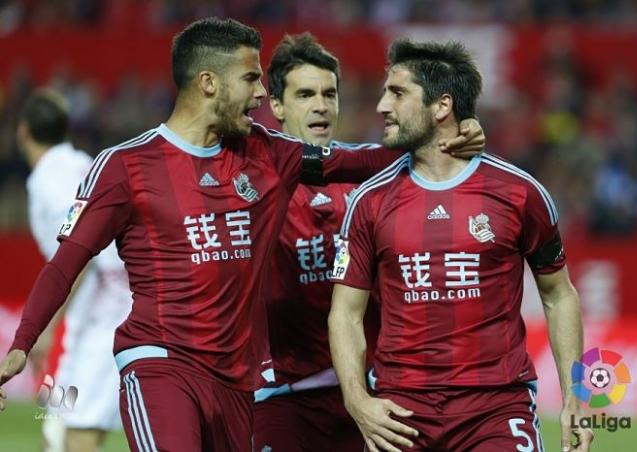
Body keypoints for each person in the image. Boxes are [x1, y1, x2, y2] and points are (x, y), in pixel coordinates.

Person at [0, 19, 477, 452]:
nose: (259, 94)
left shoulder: (269, 155)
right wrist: (20, 346)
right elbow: (67, 261)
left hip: (237, 384)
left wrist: (450, 136)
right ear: (209, 83)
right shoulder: (124, 167)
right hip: (160, 364)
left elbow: (364, 161)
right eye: (251, 78)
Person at [329, 39, 595, 452]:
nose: (382, 106)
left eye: (397, 93)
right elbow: (345, 313)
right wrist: (357, 400)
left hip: (495, 408)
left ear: (442, 106)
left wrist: (575, 401)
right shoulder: (369, 201)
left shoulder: (520, 193)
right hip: (400, 412)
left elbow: (560, 295)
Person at [254, 33, 485, 452]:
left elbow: (430, 153)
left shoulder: (373, 177)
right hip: (282, 395)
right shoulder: (254, 180)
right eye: (305, 94)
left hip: (368, 394)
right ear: (276, 105)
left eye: (330, 93)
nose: (321, 105)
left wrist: (461, 130)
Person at [16, 88, 132, 452]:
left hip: (103, 318)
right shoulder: (82, 162)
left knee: (79, 436)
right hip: (91, 321)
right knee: (56, 424)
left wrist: (47, 329)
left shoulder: (47, 184)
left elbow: (79, 256)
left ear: (22, 131)